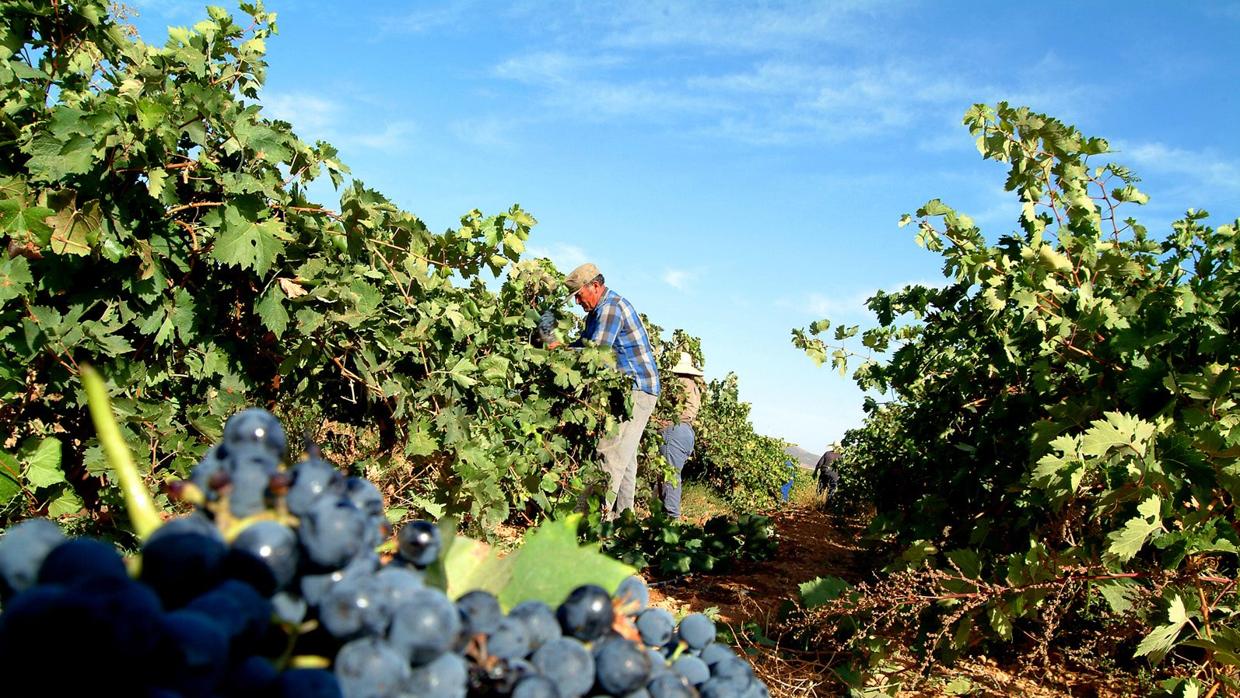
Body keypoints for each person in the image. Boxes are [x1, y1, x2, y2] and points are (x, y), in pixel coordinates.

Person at [552, 263, 661, 517]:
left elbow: (596, 355)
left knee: (609, 452)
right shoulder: (595, 314)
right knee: (626, 458)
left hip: (636, 389)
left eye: (579, 295)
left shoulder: (610, 308)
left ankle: (596, 522)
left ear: (596, 286)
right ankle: (625, 521)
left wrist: (558, 350)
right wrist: (558, 345)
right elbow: (581, 345)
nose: (577, 301)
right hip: (629, 390)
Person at [657, 351, 703, 519]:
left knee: (670, 476)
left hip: (674, 431)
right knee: (670, 474)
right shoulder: (693, 385)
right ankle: (664, 517)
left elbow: (663, 405)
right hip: (686, 433)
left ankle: (672, 519)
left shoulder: (679, 382)